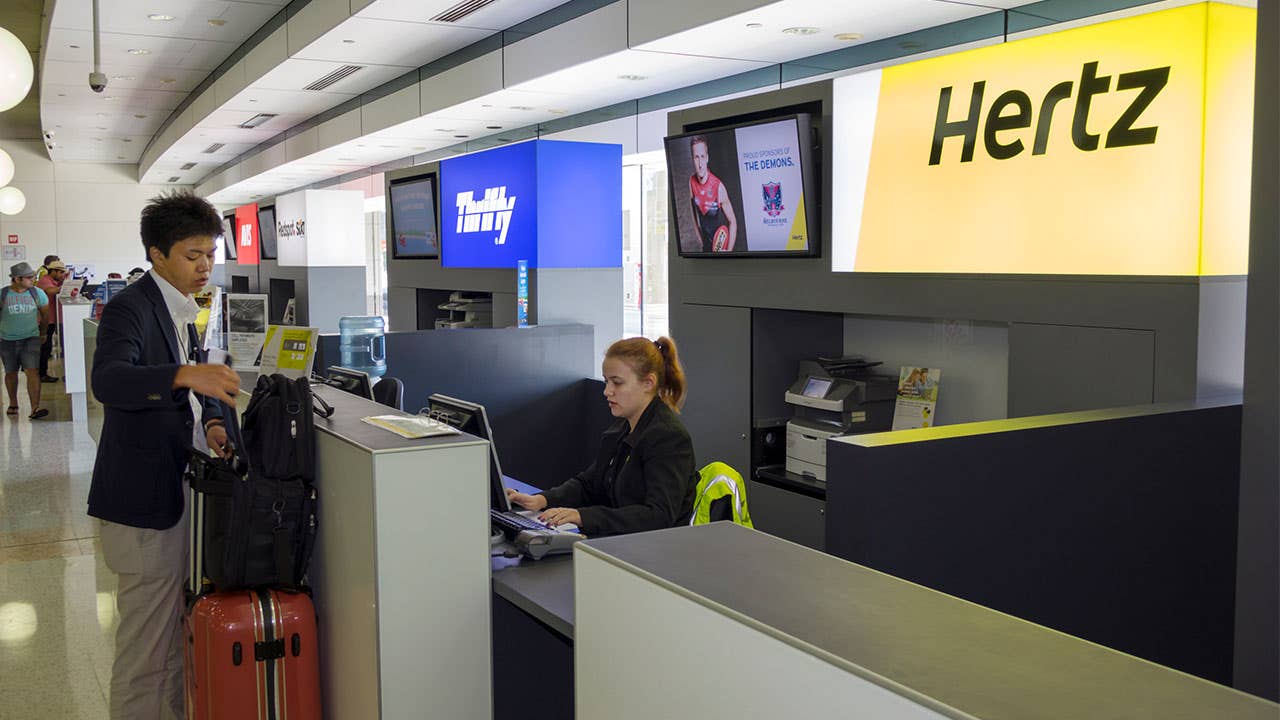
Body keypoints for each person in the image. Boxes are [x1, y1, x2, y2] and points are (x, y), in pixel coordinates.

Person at [88, 190, 240, 720]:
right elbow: (108, 380)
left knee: (171, 640)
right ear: (157, 254)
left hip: (172, 494)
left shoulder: (180, 308)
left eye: (211, 254)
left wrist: (214, 420)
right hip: (140, 503)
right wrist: (182, 375)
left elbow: (193, 380)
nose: (205, 267)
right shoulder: (132, 307)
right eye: (192, 255)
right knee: (145, 652)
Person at [506, 336, 698, 536]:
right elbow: (589, 484)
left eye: (617, 383)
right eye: (606, 382)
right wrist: (542, 500)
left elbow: (658, 516)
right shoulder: (622, 428)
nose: (607, 391)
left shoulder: (668, 437)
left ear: (648, 383)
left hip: (654, 553)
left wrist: (583, 516)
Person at [1, 262, 51, 419]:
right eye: (29, 278)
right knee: (11, 372)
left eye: (33, 277)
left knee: (33, 371)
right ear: (17, 279)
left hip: (31, 338)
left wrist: (43, 333)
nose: (33, 280)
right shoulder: (3, 295)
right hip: (7, 339)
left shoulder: (38, 294)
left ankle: (35, 407)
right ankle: (13, 402)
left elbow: (45, 316)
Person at [688, 135, 739, 253]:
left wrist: (729, 252)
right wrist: (700, 240)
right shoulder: (691, 182)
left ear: (707, 158)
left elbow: (733, 222)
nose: (700, 163)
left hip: (719, 249)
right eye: (696, 157)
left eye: (702, 156)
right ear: (692, 159)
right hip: (705, 251)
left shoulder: (719, 187)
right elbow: (693, 214)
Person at [35, 259, 68, 382]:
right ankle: (41, 374)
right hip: (44, 321)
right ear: (53, 271)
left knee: (46, 348)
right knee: (44, 348)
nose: (61, 275)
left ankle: (42, 373)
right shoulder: (45, 281)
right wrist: (66, 287)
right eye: (60, 273)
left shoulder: (53, 281)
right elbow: (50, 291)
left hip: (50, 319)